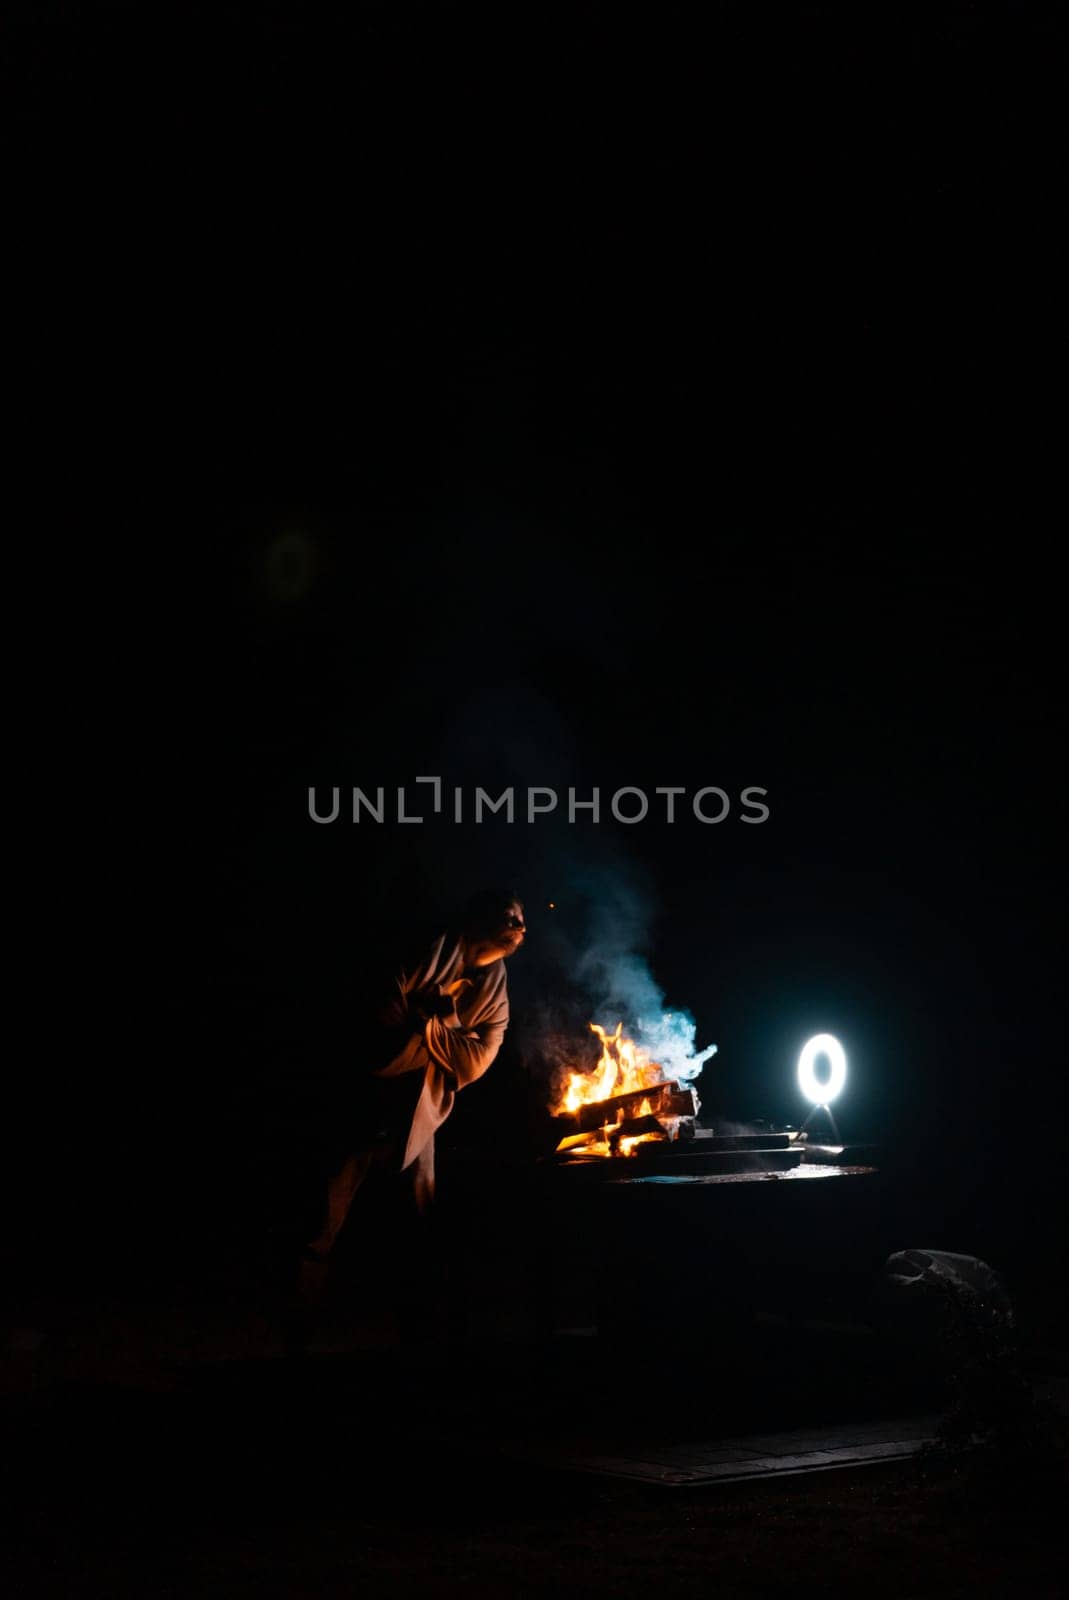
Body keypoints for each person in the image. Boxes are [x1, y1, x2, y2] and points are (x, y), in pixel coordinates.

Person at [285, 887, 527, 1351]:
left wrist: (428, 1023)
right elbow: (377, 1011)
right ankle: (297, 1338)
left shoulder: (495, 990)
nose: (520, 926)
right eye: (510, 914)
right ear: (480, 915)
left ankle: (421, 1346)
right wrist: (444, 1036)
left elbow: (476, 1063)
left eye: (522, 919)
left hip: (421, 1108)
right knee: (320, 1224)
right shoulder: (427, 946)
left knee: (420, 1229)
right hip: (361, 1096)